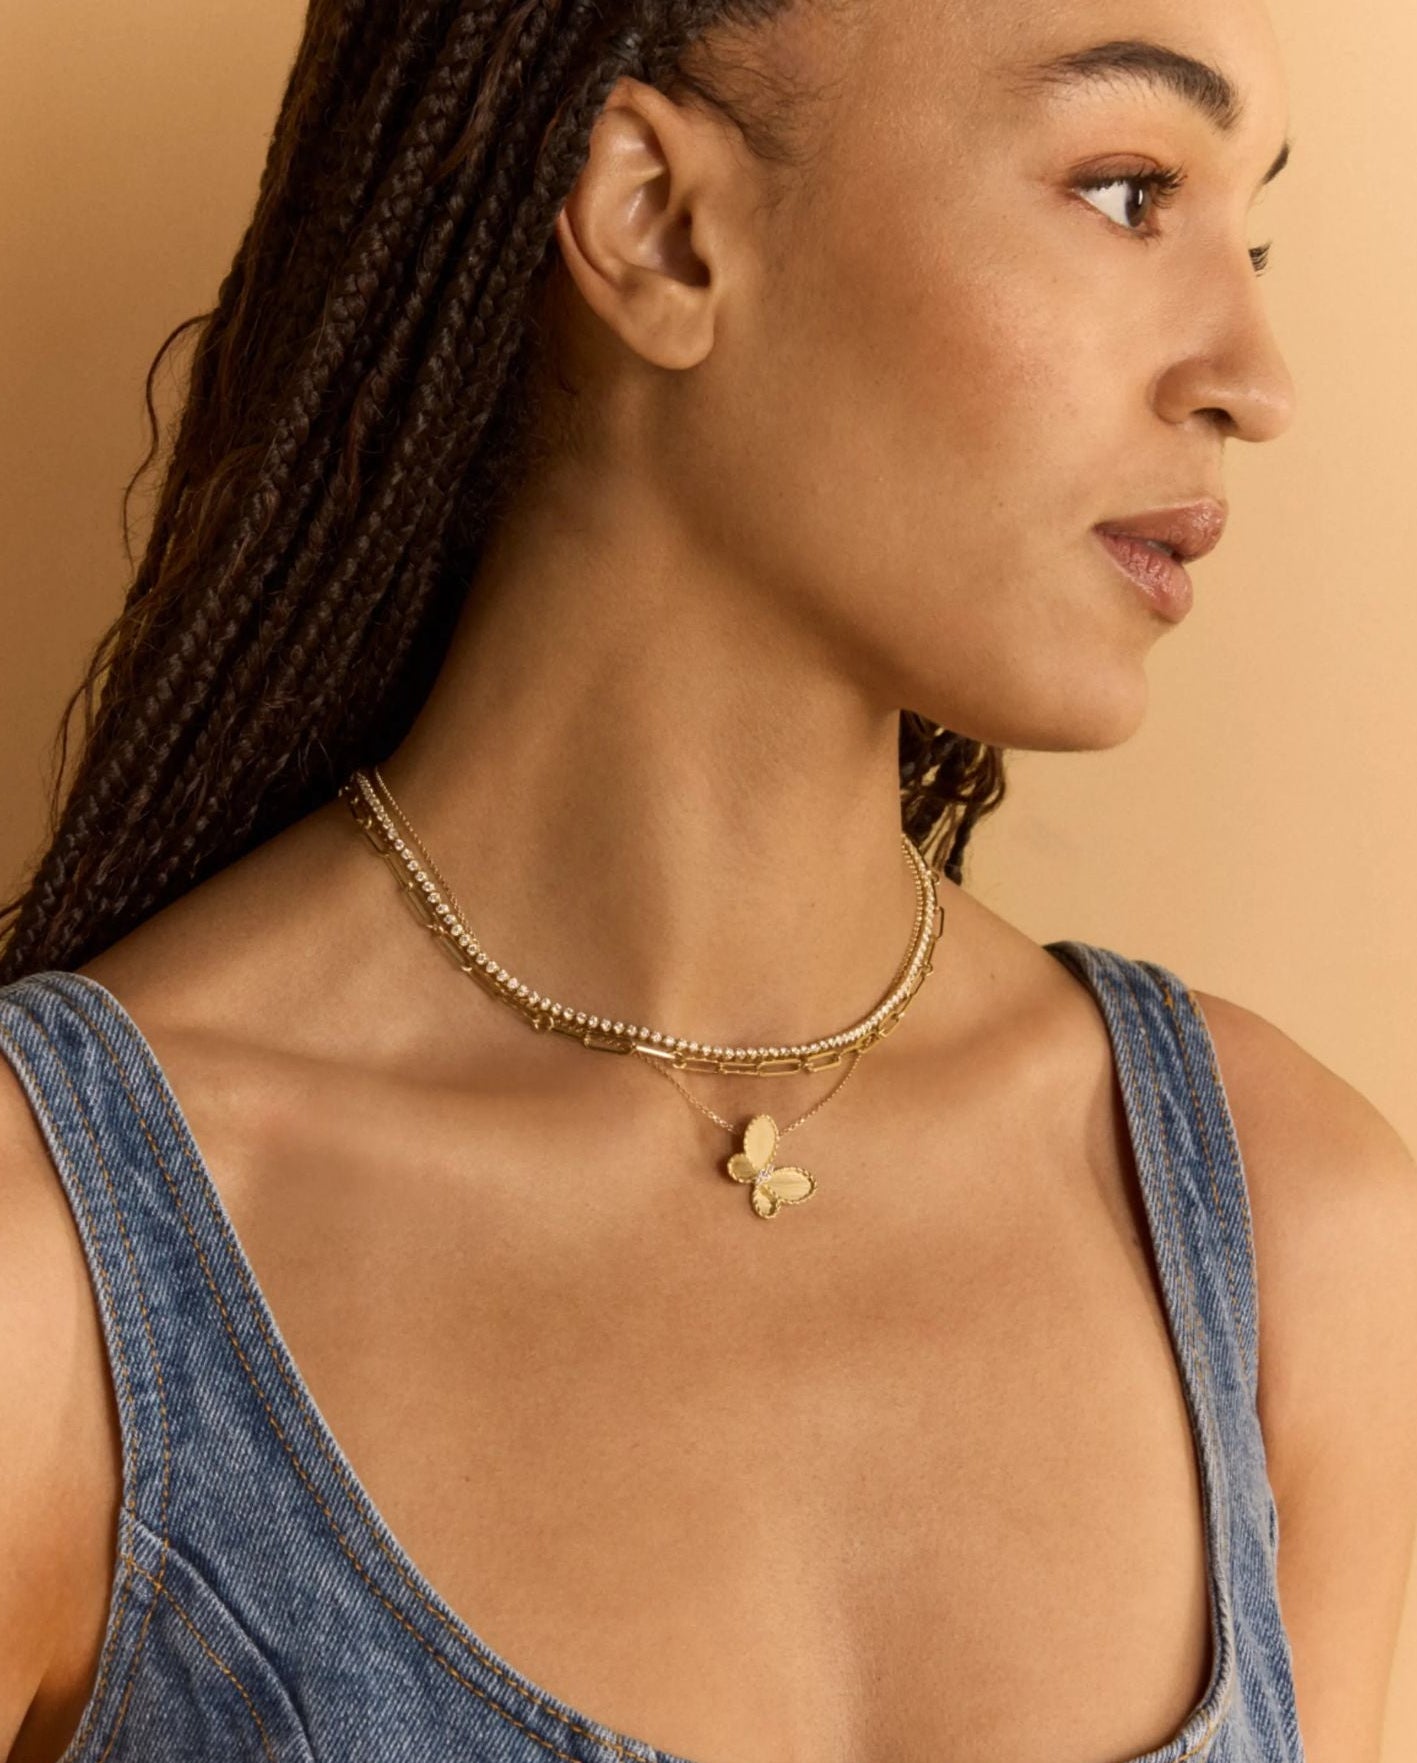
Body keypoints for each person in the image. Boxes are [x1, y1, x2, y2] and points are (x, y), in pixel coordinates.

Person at [1, 0, 1414, 1758]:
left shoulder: (1288, 1235)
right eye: (1128, 192)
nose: (1253, 380)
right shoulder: (51, 1271)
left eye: (1248, 231)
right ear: (658, 225)